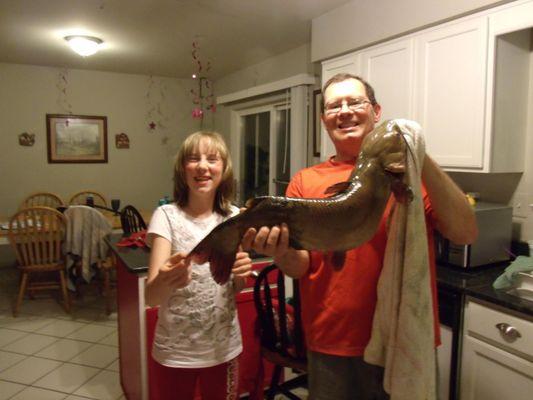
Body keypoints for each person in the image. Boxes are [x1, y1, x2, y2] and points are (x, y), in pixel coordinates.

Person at [241, 73, 478, 399]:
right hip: (331, 340)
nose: (344, 111)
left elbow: (465, 233)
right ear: (325, 120)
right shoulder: (305, 182)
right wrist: (280, 252)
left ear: (376, 111)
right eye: (334, 106)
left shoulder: (410, 175)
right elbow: (299, 267)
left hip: (403, 336)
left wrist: (418, 156)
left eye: (355, 102)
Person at [145, 131, 253, 400]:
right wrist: (166, 279)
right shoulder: (166, 216)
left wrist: (241, 275)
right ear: (183, 169)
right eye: (194, 159)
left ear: (223, 169)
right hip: (175, 352)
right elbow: (150, 297)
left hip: (223, 348)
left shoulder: (235, 216)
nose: (203, 166)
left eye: (212, 159)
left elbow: (235, 288)